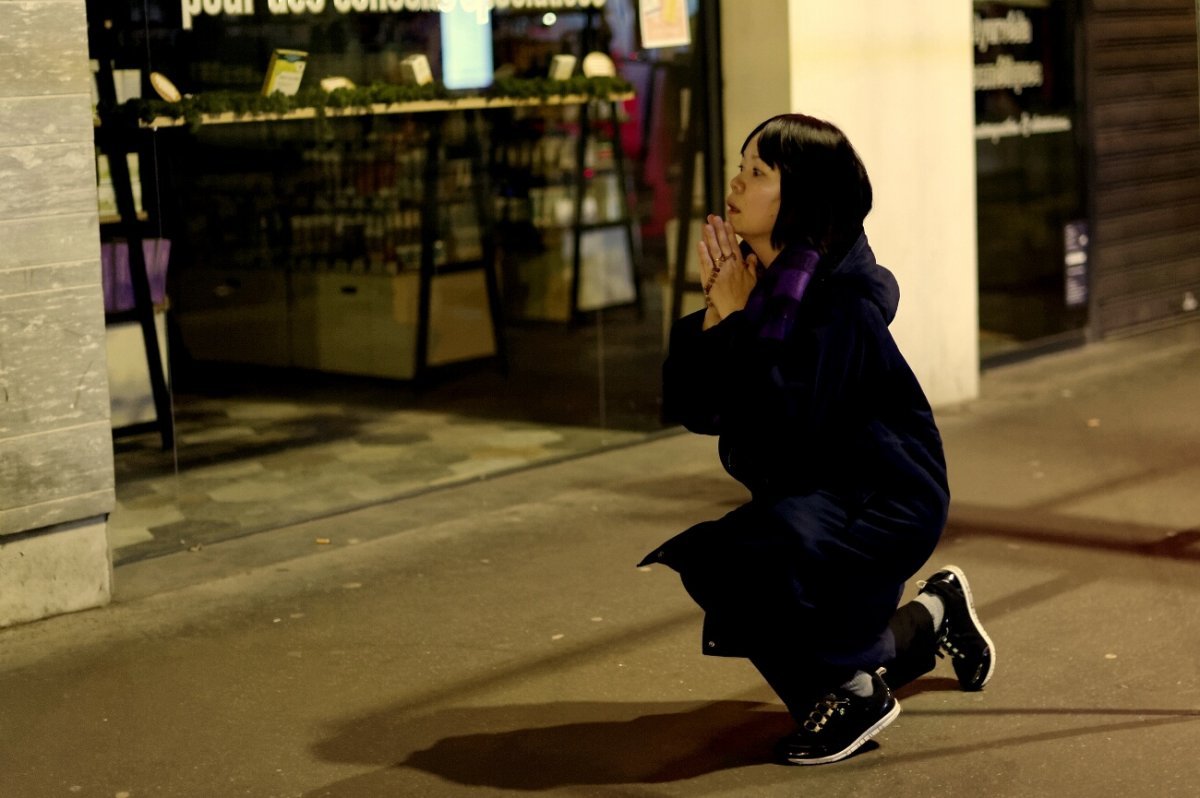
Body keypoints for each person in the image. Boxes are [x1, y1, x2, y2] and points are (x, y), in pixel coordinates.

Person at [639, 113, 995, 766]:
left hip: (884, 496)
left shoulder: (839, 302)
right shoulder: (762, 287)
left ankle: (857, 690)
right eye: (740, 167)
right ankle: (931, 619)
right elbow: (696, 406)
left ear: (799, 194)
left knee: (761, 559)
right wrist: (721, 316)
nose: (736, 184)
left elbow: (792, 422)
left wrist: (738, 322)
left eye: (757, 172)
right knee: (737, 565)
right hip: (823, 488)